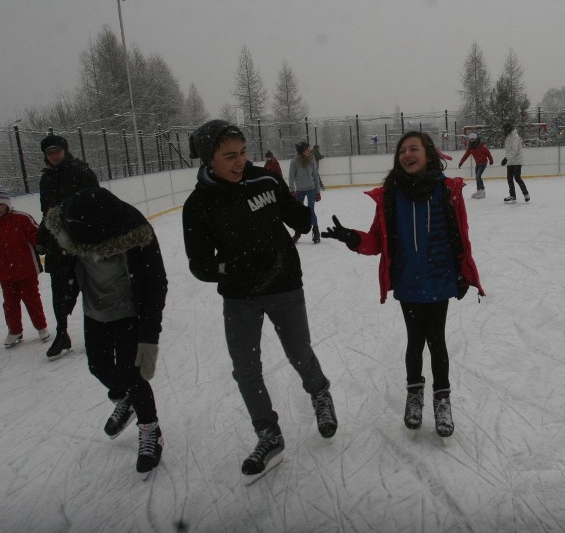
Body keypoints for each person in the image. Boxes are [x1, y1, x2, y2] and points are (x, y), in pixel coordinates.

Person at [182, 120, 338, 483]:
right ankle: (268, 433)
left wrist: (301, 216)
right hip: (240, 298)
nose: (240, 163)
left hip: (284, 285)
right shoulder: (199, 205)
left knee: (299, 353)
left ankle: (320, 394)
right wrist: (230, 267)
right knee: (246, 369)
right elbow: (199, 264)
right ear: (208, 160)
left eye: (243, 153)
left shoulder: (264, 180)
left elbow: (291, 213)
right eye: (229, 157)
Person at [321, 131, 485, 438]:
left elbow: (460, 236)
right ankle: (414, 395)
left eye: (414, 149)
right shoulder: (390, 196)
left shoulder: (447, 191)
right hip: (408, 281)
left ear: (428, 155)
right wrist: (353, 238)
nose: (407, 154)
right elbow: (376, 241)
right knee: (415, 340)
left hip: (439, 279)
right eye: (402, 151)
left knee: (436, 340)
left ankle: (442, 399)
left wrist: (463, 273)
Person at [45, 186, 168, 475]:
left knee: (132, 374)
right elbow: (64, 272)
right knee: (97, 366)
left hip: (129, 310)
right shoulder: (70, 227)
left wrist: (149, 336)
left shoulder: (136, 232)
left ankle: (151, 429)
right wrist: (63, 310)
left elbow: (155, 284)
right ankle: (126, 400)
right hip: (95, 311)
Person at [37, 133, 100, 360]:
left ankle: (98, 333)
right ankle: (62, 333)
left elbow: (98, 203)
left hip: (82, 240)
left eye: (57, 150)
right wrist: (42, 236)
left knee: (90, 288)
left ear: (65, 150)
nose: (53, 155)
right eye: (49, 152)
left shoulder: (82, 172)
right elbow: (46, 210)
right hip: (57, 241)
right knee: (59, 289)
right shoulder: (46, 178)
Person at [0, 185, 50, 348]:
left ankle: (41, 327)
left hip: (27, 270)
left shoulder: (22, 218)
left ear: (7, 204)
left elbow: (36, 234)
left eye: (0, 204)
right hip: (5, 273)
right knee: (10, 303)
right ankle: (15, 331)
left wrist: (41, 245)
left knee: (32, 300)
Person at [288, 141, 323, 243]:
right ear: (302, 151)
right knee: (299, 213)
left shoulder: (312, 160)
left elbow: (316, 176)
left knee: (311, 210)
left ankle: (316, 233)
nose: (309, 151)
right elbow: (291, 177)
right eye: (307, 149)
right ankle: (297, 233)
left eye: (309, 149)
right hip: (299, 191)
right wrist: (292, 190)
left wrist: (317, 192)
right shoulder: (294, 162)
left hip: (311, 189)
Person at [457, 132, 494, 199]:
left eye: (473, 139)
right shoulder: (471, 147)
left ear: (476, 139)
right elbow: (466, 155)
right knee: (477, 177)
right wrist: (461, 162)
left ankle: (482, 191)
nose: (471, 140)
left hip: (483, 163)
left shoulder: (481, 145)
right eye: (470, 139)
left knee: (478, 176)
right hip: (478, 163)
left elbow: (488, 153)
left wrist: (491, 160)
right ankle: (478, 190)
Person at [501, 123, 530, 203]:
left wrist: (506, 158)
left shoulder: (515, 137)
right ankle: (512, 195)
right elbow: (509, 150)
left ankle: (526, 194)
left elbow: (514, 150)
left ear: (508, 129)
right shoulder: (509, 136)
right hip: (511, 161)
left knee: (517, 178)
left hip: (517, 160)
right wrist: (507, 159)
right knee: (509, 178)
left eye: (504, 130)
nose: (503, 132)